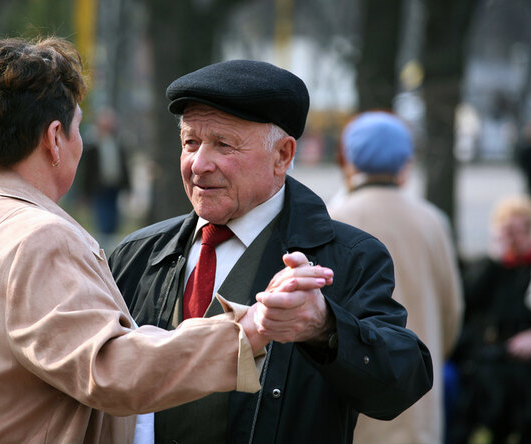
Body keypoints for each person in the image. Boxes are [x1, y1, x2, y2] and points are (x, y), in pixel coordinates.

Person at [0, 37, 320, 443]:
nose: (201, 164)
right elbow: (109, 370)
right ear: (55, 138)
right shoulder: (37, 236)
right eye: (77, 128)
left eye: (224, 145)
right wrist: (250, 330)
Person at [108, 60, 434, 444]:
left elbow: (401, 383)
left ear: (283, 155)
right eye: (190, 142)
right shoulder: (136, 254)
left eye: (223, 145)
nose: (199, 163)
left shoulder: (349, 257)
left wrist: (325, 328)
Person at [328, 111, 464, 444]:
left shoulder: (333, 219)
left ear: (348, 158)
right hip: (418, 405)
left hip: (353, 407)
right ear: (406, 159)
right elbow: (452, 313)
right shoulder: (432, 220)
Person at [448, 195, 531, 444]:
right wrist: (496, 259)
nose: (514, 239)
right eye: (507, 231)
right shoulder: (488, 269)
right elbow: (466, 303)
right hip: (488, 360)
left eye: (520, 231)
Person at [82, 107, 130, 250]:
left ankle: (110, 247)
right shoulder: (93, 143)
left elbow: (124, 166)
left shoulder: (118, 141)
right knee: (102, 217)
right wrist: (84, 192)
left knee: (114, 218)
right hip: (99, 187)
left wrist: (128, 187)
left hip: (115, 187)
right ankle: (102, 247)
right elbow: (86, 171)